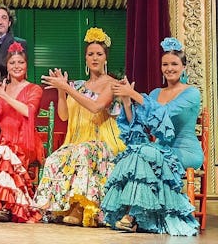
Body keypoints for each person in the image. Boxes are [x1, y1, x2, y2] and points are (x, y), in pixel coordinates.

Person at [102, 37, 202, 236]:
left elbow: (165, 112)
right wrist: (127, 102)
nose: (169, 68)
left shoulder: (192, 93)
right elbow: (138, 126)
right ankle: (133, 216)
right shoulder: (156, 93)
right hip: (158, 150)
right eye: (165, 64)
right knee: (136, 152)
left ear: (183, 67)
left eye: (174, 64)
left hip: (185, 151)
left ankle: (132, 215)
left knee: (144, 153)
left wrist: (134, 94)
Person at [34, 28, 125, 227]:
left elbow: (95, 107)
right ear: (85, 58)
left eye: (99, 54)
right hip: (76, 141)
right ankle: (58, 208)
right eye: (90, 54)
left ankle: (80, 207)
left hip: (103, 143)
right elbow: (64, 116)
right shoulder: (78, 85)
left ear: (105, 58)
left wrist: (67, 88)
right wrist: (61, 90)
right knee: (54, 158)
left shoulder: (111, 84)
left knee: (84, 152)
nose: (94, 58)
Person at [0, 42, 43, 223]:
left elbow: (28, 111)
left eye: (20, 62)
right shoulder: (1, 90)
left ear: (26, 65)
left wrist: (4, 95)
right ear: (7, 66)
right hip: (5, 142)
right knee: (2, 153)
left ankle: (8, 206)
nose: (17, 67)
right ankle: (2, 206)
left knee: (5, 154)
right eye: (13, 63)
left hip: (25, 142)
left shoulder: (34, 89)